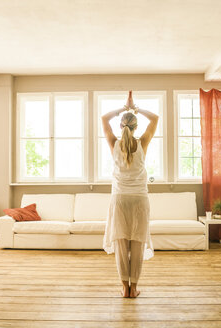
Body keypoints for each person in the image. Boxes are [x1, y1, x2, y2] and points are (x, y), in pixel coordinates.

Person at [102, 90, 158, 298]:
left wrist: (123, 108)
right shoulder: (142, 143)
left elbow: (103, 118)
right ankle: (134, 288)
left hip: (119, 199)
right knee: (137, 243)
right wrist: (136, 108)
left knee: (121, 243)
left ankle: (124, 288)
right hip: (139, 200)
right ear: (136, 127)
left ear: (121, 126)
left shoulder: (114, 143)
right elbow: (155, 119)